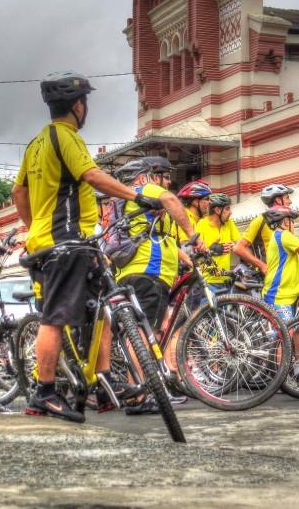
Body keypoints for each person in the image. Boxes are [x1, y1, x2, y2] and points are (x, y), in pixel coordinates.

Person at [13, 72, 152, 423]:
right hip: (66, 241)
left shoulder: (36, 144)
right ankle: (44, 392)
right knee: (55, 318)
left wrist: (35, 229)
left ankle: (101, 384)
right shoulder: (67, 137)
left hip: (60, 242)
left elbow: (18, 193)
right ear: (78, 106)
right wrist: (137, 196)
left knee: (102, 308)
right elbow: (91, 175)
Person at [111, 156, 200, 415]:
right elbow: (172, 200)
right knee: (142, 332)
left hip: (141, 271)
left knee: (154, 330)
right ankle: (137, 393)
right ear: (145, 175)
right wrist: (192, 235)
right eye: (162, 175)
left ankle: (148, 386)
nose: (167, 181)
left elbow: (166, 240)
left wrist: (187, 260)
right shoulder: (144, 189)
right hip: (148, 271)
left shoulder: (136, 200)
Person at [235, 184, 295, 274]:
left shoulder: (289, 221)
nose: (290, 202)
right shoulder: (260, 220)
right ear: (278, 200)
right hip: (269, 275)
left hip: (288, 273)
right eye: (287, 198)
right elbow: (238, 248)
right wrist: (261, 265)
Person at [194, 193, 240, 294]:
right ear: (217, 210)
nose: (231, 212)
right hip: (209, 282)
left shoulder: (229, 223)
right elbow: (198, 254)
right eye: (227, 209)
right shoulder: (202, 225)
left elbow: (240, 244)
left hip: (227, 280)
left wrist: (235, 246)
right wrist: (212, 249)